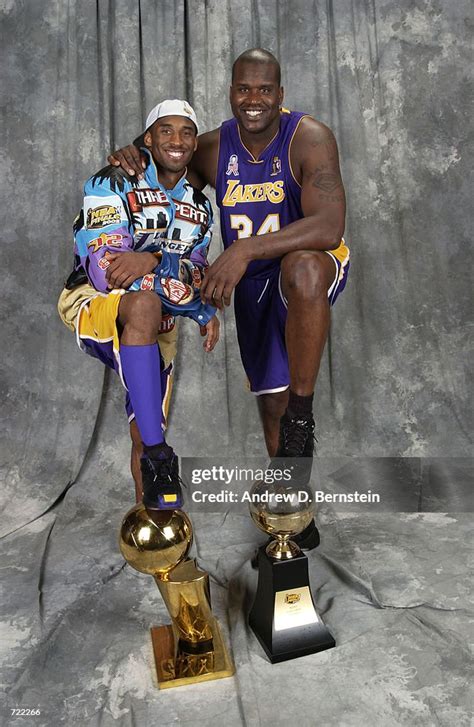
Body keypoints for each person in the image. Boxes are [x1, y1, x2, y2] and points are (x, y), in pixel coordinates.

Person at [108, 49, 350, 548]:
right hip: (253, 278)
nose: (254, 99)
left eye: (265, 90)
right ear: (231, 92)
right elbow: (160, 155)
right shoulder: (213, 147)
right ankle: (291, 507)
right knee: (270, 403)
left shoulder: (309, 137)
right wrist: (129, 152)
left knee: (302, 270)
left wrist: (244, 248)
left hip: (307, 265)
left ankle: (304, 418)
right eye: (244, 89)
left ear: (280, 96)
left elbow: (328, 226)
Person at [59, 99, 219, 510]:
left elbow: (199, 275)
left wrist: (153, 260)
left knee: (145, 424)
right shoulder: (112, 181)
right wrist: (194, 305)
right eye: (166, 131)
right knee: (145, 304)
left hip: (158, 319)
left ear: (195, 144)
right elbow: (106, 271)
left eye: (186, 132)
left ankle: (156, 522)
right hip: (90, 301)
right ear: (148, 138)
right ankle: (161, 457)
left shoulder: (200, 209)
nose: (177, 140)